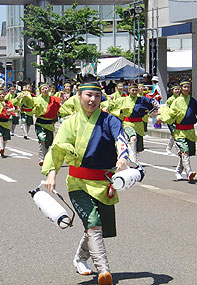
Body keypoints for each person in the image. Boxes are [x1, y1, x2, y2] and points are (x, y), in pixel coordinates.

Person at [42, 78, 136, 285]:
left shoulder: (110, 120)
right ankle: (104, 271)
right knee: (93, 224)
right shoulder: (70, 123)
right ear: (79, 96)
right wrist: (51, 173)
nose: (93, 99)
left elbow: (120, 139)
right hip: (78, 184)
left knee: (97, 226)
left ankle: (80, 258)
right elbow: (57, 148)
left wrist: (123, 157)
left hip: (104, 184)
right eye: (88, 95)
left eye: (96, 95)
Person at [156, 78, 197, 182]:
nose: (186, 89)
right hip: (180, 132)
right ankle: (189, 172)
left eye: (188, 87)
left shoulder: (193, 101)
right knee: (185, 151)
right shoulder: (176, 101)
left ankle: (178, 171)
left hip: (190, 131)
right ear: (181, 88)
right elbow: (170, 114)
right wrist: (162, 119)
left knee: (185, 153)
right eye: (184, 87)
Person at [102, 83, 157, 160]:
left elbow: (151, 102)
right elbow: (112, 103)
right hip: (127, 123)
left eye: (135, 90)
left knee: (138, 147)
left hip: (139, 124)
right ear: (128, 90)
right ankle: (133, 159)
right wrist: (105, 106)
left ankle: (134, 156)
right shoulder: (123, 100)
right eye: (132, 90)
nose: (134, 92)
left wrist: (155, 104)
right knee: (133, 138)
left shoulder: (141, 99)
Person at [21, 83, 61, 166]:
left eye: (46, 88)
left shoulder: (53, 99)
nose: (45, 90)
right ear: (40, 91)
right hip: (40, 123)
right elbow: (29, 105)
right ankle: (41, 158)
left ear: (49, 89)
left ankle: (45, 157)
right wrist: (25, 98)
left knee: (48, 142)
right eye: (43, 89)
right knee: (42, 139)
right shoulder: (37, 99)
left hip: (50, 124)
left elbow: (60, 106)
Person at [165, 82, 181, 156]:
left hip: (178, 119)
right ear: (172, 90)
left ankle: (169, 148)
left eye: (178, 89)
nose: (177, 91)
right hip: (171, 119)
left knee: (174, 134)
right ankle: (178, 149)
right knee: (175, 133)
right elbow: (165, 108)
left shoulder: (181, 98)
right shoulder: (170, 99)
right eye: (175, 89)